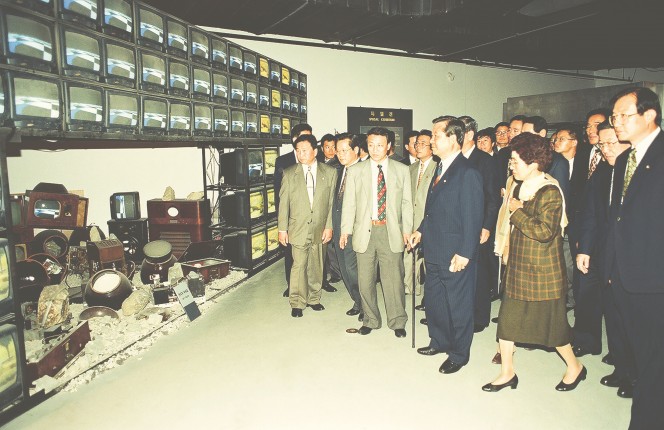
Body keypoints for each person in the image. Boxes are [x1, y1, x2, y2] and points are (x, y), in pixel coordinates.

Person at [485, 132, 585, 392]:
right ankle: (507, 372)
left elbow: (544, 232)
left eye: (516, 161)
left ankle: (575, 367)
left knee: (554, 330)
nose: (511, 166)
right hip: (518, 268)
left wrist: (517, 211)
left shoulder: (549, 190)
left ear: (533, 163)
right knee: (507, 324)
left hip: (542, 273)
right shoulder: (519, 187)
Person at [604, 87, 664, 428]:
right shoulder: (625, 158)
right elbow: (617, 217)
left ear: (650, 115)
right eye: (614, 116)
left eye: (624, 115)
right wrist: (611, 265)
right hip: (626, 277)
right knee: (644, 359)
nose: (617, 122)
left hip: (656, 278)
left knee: (655, 363)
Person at [410, 116, 483, 374]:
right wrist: (420, 231)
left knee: (458, 305)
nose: (431, 140)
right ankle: (439, 341)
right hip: (434, 249)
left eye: (436, 135)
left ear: (453, 138)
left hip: (455, 253)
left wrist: (465, 253)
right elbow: (433, 210)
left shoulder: (468, 172)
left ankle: (459, 354)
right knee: (436, 301)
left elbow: (473, 218)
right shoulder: (439, 168)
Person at [576, 120, 635, 399]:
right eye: (602, 145)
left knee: (629, 319)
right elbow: (590, 213)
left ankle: (635, 376)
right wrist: (585, 249)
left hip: (631, 259)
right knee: (612, 315)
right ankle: (622, 369)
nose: (606, 149)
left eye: (612, 143)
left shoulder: (638, 171)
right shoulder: (602, 171)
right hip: (603, 254)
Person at [340, 126, 413, 338]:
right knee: (365, 280)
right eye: (371, 145)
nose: (375, 149)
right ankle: (370, 320)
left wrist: (407, 230)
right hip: (365, 231)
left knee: (393, 280)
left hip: (391, 231)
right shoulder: (356, 171)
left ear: (389, 145)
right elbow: (349, 204)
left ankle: (397, 321)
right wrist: (345, 230)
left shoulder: (402, 170)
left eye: (380, 145)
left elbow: (407, 203)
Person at [278, 134, 337, 317]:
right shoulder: (289, 174)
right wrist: (282, 229)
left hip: (320, 227)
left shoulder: (330, 173)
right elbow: (283, 204)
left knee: (317, 266)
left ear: (315, 151)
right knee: (299, 266)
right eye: (298, 151)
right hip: (298, 228)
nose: (301, 154)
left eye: (304, 150)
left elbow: (331, 203)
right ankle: (297, 302)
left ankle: (314, 298)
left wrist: (329, 226)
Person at [459, 116, 501, 333]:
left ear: (469, 134)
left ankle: (479, 317)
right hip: (456, 225)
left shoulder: (485, 161)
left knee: (479, 272)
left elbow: (492, 197)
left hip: (478, 225)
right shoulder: (453, 158)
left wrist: (487, 226)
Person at [274, 123, 312, 297]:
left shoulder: (315, 159)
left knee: (315, 253)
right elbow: (279, 194)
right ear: (295, 139)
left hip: (312, 216)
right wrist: (283, 222)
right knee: (290, 253)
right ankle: (292, 285)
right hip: (292, 218)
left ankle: (317, 283)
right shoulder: (283, 162)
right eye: (304, 136)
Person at [331, 132, 363, 320]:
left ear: (356, 149)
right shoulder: (338, 171)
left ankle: (365, 305)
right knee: (344, 268)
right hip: (338, 228)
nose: (340, 154)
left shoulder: (364, 171)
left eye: (345, 150)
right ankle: (357, 301)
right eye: (338, 151)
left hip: (356, 231)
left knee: (354, 269)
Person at [404, 129, 436, 297]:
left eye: (423, 143)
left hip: (429, 220)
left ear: (432, 146)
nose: (418, 146)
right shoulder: (411, 169)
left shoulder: (438, 167)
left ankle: (429, 296)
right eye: (417, 143)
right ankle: (410, 287)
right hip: (411, 219)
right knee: (409, 256)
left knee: (428, 260)